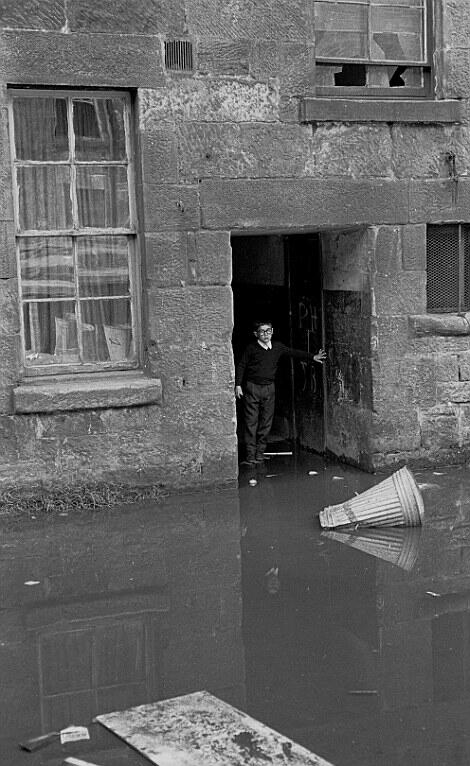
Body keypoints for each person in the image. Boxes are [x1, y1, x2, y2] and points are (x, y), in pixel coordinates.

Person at [235, 320, 326, 464]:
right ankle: (250, 456)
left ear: (272, 331)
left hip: (269, 388)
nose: (266, 334)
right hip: (252, 387)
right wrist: (238, 385)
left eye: (268, 331)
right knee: (251, 422)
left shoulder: (277, 347)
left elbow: (293, 352)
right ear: (256, 334)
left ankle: (260, 454)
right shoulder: (251, 348)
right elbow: (241, 366)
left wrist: (312, 357)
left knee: (266, 422)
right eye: (262, 332)